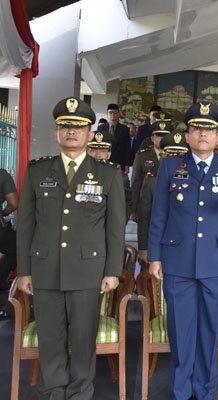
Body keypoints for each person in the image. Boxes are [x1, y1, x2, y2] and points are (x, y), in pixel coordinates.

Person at [16, 97, 125, 399]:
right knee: (50, 336)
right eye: (65, 126)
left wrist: (112, 271)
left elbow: (114, 229)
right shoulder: (38, 171)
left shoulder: (108, 174)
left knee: (82, 337)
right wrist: (24, 271)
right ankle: (54, 390)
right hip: (45, 267)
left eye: (79, 127)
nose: (72, 132)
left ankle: (79, 392)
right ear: (56, 133)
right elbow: (25, 226)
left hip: (87, 269)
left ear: (90, 134)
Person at [148, 101, 218, 400]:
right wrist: (154, 257)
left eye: (209, 129)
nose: (203, 134)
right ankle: (181, 392)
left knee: (210, 331)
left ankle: (205, 391)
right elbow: (159, 215)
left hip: (216, 262)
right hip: (178, 260)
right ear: (189, 134)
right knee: (181, 331)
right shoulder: (170, 166)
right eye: (197, 128)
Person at [130, 119, 170, 264]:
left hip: (170, 210)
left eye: (165, 136)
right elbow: (135, 184)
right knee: (147, 254)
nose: (161, 139)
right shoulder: (142, 155)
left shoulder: (177, 156)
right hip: (147, 207)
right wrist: (134, 209)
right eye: (158, 136)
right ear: (152, 138)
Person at [86, 130, 132, 225]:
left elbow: (125, 206)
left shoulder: (119, 176)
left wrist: (119, 226)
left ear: (109, 154)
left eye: (102, 151)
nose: (97, 155)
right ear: (87, 152)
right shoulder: (78, 173)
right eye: (93, 150)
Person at [97, 103, 131, 170]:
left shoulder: (124, 129)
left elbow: (127, 148)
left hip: (119, 161)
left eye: (115, 113)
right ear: (107, 114)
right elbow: (98, 145)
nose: (113, 115)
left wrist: (127, 164)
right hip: (103, 160)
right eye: (110, 113)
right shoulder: (101, 128)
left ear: (118, 114)